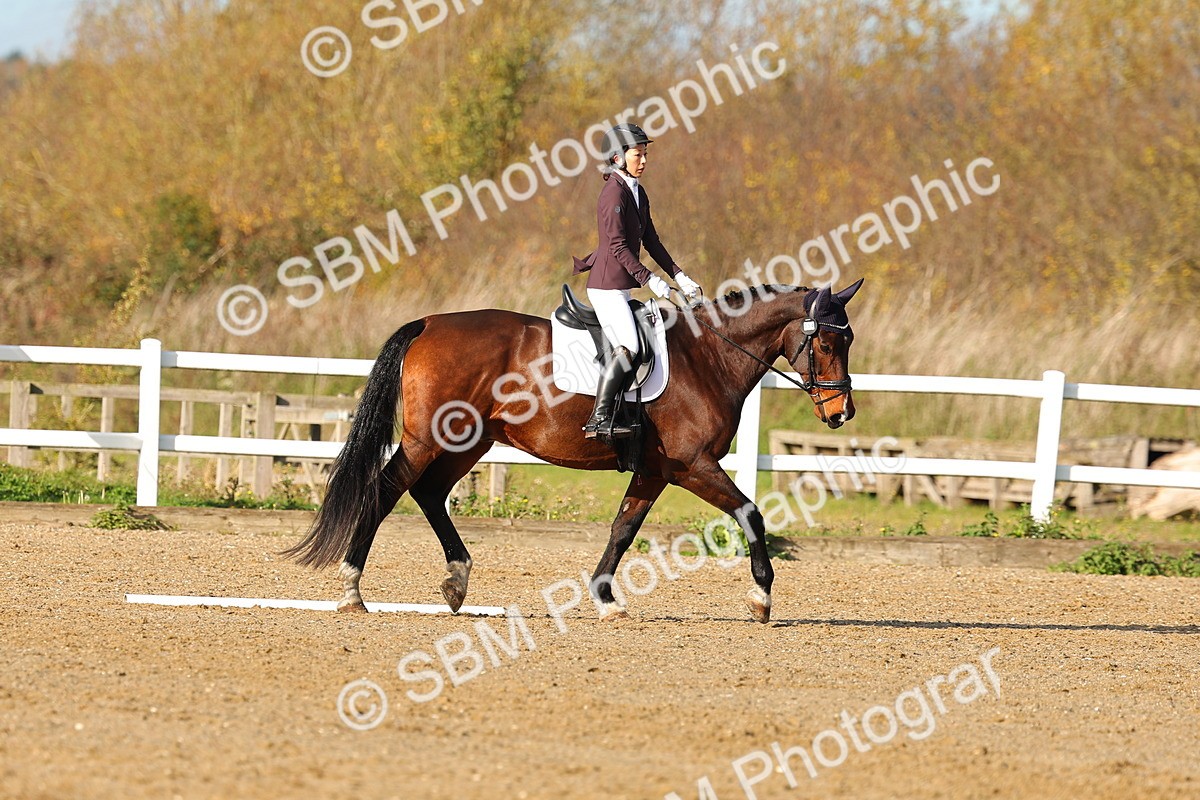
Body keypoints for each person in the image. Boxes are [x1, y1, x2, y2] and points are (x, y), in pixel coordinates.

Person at [572, 122, 703, 439]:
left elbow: (651, 241)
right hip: (606, 287)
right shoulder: (612, 194)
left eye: (645, 154)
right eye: (637, 154)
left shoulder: (637, 192)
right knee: (629, 345)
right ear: (617, 158)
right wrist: (654, 283)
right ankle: (598, 419)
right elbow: (617, 246)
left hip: (622, 286)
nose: (643, 160)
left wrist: (680, 277)